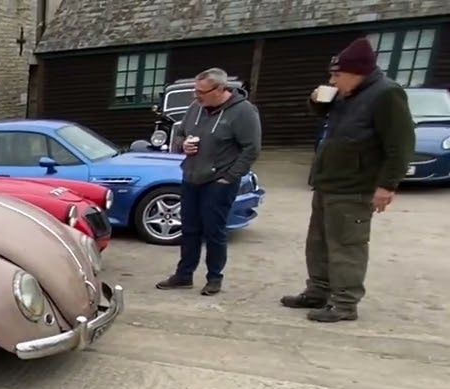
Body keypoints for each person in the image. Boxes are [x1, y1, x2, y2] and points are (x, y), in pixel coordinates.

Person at [280, 37, 416, 322]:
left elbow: (400, 145)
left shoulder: (386, 94)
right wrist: (317, 100)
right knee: (318, 242)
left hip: (355, 186)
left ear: (358, 72)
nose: (332, 79)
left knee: (347, 245)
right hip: (329, 181)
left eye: (336, 75)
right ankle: (318, 291)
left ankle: (344, 303)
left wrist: (387, 185)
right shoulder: (347, 93)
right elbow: (324, 117)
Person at [155, 67, 262, 296]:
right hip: (192, 176)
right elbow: (180, 134)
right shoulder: (196, 107)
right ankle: (184, 275)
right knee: (190, 229)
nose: (196, 96)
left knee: (214, 231)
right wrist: (183, 145)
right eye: (195, 90)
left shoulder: (243, 112)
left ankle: (214, 278)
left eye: (201, 91)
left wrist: (229, 177)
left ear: (221, 89)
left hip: (219, 181)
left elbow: (251, 149)